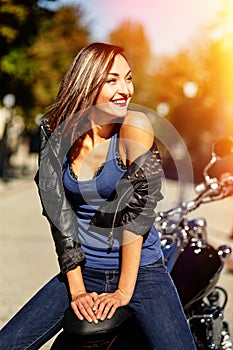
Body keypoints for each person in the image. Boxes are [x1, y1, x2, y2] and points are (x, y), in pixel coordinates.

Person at [0, 42, 197, 349]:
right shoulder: (56, 133)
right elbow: (59, 216)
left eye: (128, 78)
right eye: (112, 80)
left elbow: (138, 212)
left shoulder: (135, 127)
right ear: (87, 83)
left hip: (142, 273)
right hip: (84, 268)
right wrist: (77, 289)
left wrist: (123, 291)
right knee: (8, 342)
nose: (126, 90)